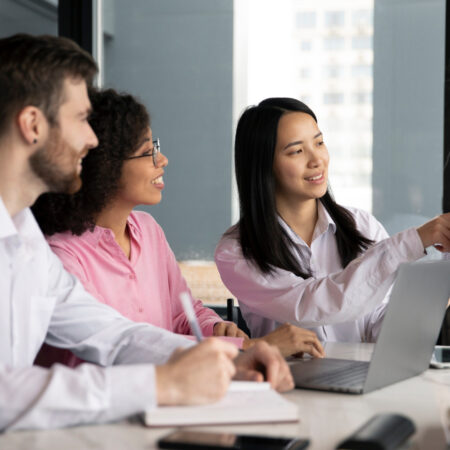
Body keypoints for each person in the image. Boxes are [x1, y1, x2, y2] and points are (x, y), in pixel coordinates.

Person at [0, 34, 293, 432]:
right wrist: (161, 383)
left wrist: (225, 359)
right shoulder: (50, 248)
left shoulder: (24, 239)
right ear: (32, 124)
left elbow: (113, 335)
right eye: (81, 119)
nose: (91, 139)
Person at [31, 88, 324, 362]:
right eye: (149, 152)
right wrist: (247, 347)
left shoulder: (147, 230)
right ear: (104, 167)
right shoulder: (62, 256)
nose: (163, 160)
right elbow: (119, 349)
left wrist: (216, 328)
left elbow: (184, 314)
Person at [215, 97, 450, 343]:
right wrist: (414, 240)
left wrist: (438, 280)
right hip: (288, 380)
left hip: (357, 377)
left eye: (319, 142)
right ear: (263, 165)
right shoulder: (237, 250)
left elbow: (379, 327)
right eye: (297, 151)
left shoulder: (362, 225)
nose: (317, 160)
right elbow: (313, 306)